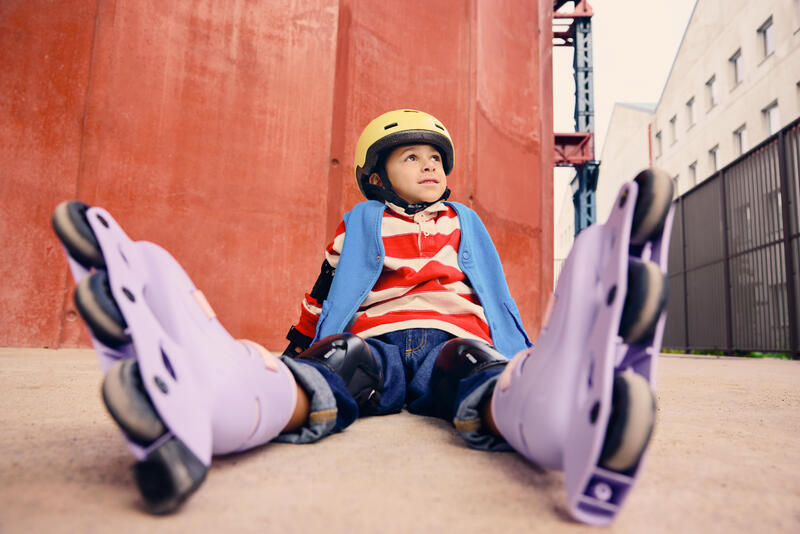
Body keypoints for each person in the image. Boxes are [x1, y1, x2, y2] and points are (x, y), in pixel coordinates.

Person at [53, 109, 672, 525]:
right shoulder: (357, 227)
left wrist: (519, 351)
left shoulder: (465, 224)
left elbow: (493, 295)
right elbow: (321, 296)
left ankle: (557, 413)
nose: (431, 166)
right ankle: (220, 401)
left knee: (479, 371)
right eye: (412, 158)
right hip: (370, 343)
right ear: (376, 176)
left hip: (450, 341)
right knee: (333, 366)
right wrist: (293, 349)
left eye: (437, 158)